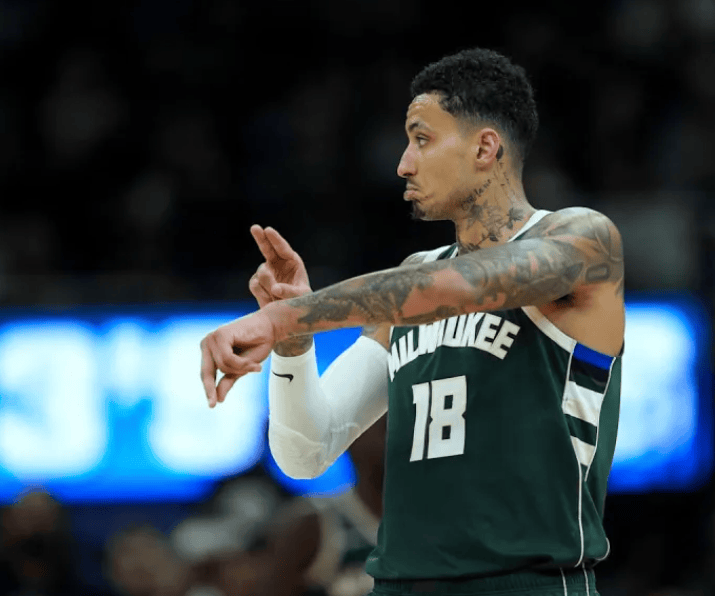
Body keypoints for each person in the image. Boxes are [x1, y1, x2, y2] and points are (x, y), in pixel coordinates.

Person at [200, 48, 625, 596]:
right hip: (402, 583)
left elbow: (460, 287)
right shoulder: (414, 276)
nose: (403, 163)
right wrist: (295, 343)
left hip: (527, 583)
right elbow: (306, 453)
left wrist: (287, 316)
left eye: (421, 139)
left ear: (485, 147)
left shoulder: (582, 240)